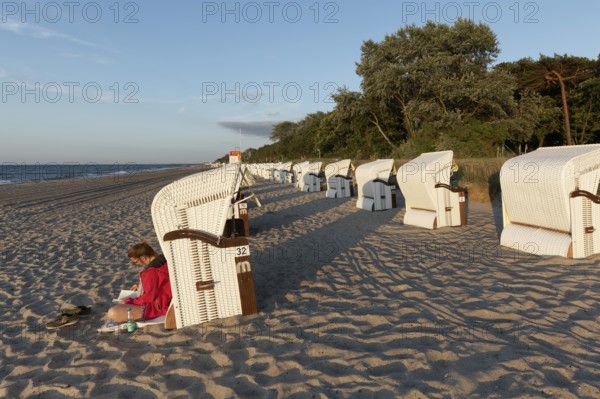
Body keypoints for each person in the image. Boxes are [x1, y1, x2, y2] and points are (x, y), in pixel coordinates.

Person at [107, 242, 172, 323]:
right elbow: (159, 280)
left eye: (136, 262)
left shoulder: (151, 272)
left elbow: (148, 298)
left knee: (112, 312)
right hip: (166, 300)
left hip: (157, 307)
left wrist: (129, 301)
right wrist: (140, 284)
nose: (137, 264)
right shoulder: (164, 259)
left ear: (143, 258)